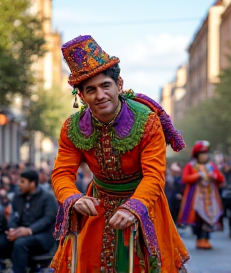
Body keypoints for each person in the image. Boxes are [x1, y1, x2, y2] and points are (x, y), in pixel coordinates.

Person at [50, 35, 189, 273]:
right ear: (81, 96)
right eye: (90, 90)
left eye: (106, 86)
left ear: (119, 84)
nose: (100, 95)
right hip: (96, 206)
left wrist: (133, 207)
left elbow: (154, 176)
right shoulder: (71, 128)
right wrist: (73, 198)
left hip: (145, 204)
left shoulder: (148, 121)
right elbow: (62, 173)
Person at [0, 169, 58, 273]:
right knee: (3, 241)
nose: (19, 184)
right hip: (20, 233)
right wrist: (13, 230)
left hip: (43, 235)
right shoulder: (18, 196)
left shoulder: (47, 197)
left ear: (32, 183)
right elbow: (13, 215)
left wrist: (29, 230)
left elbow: (48, 219)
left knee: (20, 243)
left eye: (22, 182)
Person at [177, 140, 225, 249]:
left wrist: (215, 176)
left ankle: (206, 239)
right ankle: (200, 239)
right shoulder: (191, 166)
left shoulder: (212, 166)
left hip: (210, 197)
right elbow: (185, 178)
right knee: (198, 219)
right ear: (197, 155)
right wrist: (197, 175)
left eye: (206, 153)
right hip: (196, 198)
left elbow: (221, 178)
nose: (204, 156)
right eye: (202, 154)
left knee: (209, 218)